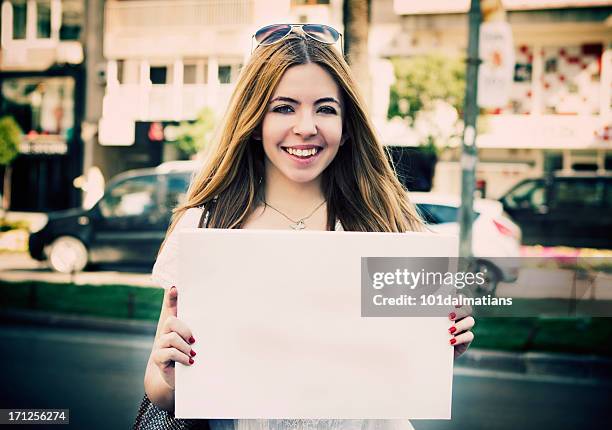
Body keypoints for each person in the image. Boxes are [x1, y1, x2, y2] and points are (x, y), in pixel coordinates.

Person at [141, 23, 475, 430]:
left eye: (325, 108)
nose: (306, 126)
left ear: (347, 124)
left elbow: (407, 362)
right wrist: (173, 373)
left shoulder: (382, 221)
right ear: (253, 119)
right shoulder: (209, 224)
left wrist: (439, 344)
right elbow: (160, 391)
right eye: (283, 107)